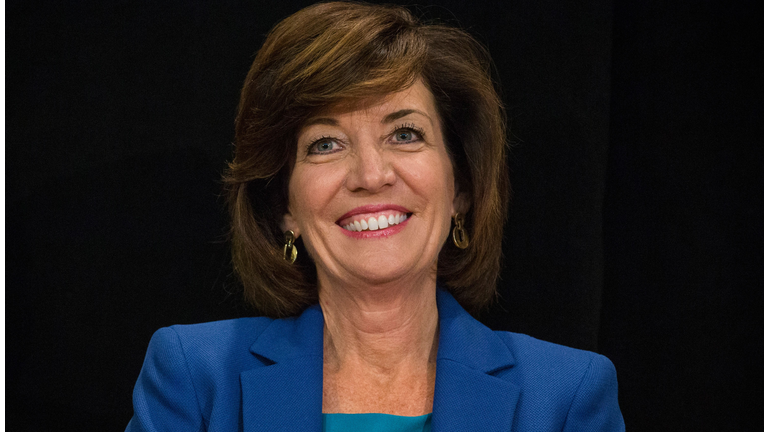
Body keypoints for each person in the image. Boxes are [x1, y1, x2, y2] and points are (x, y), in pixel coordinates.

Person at [125, 2, 625, 431]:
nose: (370, 174)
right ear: (283, 208)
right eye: (326, 144)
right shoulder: (195, 378)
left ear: (461, 189)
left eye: (404, 134)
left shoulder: (565, 396)